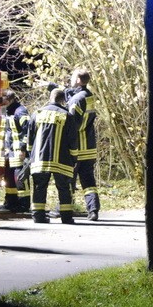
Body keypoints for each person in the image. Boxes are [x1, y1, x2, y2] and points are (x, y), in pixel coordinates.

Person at [29, 88, 79, 224]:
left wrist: (30, 156)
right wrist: (74, 158)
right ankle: (66, 217)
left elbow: (30, 138)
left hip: (39, 159)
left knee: (39, 187)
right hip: (61, 160)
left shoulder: (36, 113)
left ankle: (38, 216)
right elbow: (73, 140)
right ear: (63, 100)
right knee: (64, 188)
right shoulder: (67, 116)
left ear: (50, 98)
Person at [66, 67, 100, 221]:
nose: (71, 79)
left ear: (78, 80)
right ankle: (93, 210)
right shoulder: (89, 96)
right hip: (89, 147)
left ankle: (65, 208)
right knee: (88, 180)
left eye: (73, 77)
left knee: (68, 178)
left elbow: (72, 124)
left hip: (77, 147)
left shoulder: (77, 100)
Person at [0, 90, 31, 213]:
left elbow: (28, 130)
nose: (1, 102)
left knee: (20, 178)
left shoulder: (20, 111)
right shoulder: (7, 111)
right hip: (9, 152)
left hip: (19, 152)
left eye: (3, 100)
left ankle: (24, 204)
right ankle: (10, 202)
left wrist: (23, 149)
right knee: (9, 178)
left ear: (10, 99)